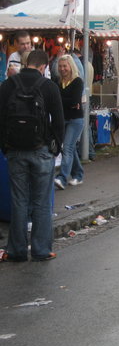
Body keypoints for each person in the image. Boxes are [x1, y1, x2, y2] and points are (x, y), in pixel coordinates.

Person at [0, 50, 64, 262]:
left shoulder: (8, 85)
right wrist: (54, 147)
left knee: (19, 200)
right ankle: (41, 250)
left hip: (16, 151)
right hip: (42, 150)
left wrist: (5, 146)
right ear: (43, 66)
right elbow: (59, 122)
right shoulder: (49, 87)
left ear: (26, 63)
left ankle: (16, 251)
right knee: (42, 201)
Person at [53, 55, 84, 189]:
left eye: (65, 66)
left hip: (75, 119)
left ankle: (62, 178)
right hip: (62, 118)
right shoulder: (56, 81)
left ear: (71, 66)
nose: (62, 69)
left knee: (67, 148)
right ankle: (78, 174)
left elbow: (74, 101)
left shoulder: (78, 81)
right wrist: (67, 101)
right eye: (60, 66)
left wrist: (60, 99)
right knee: (70, 149)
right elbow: (66, 101)